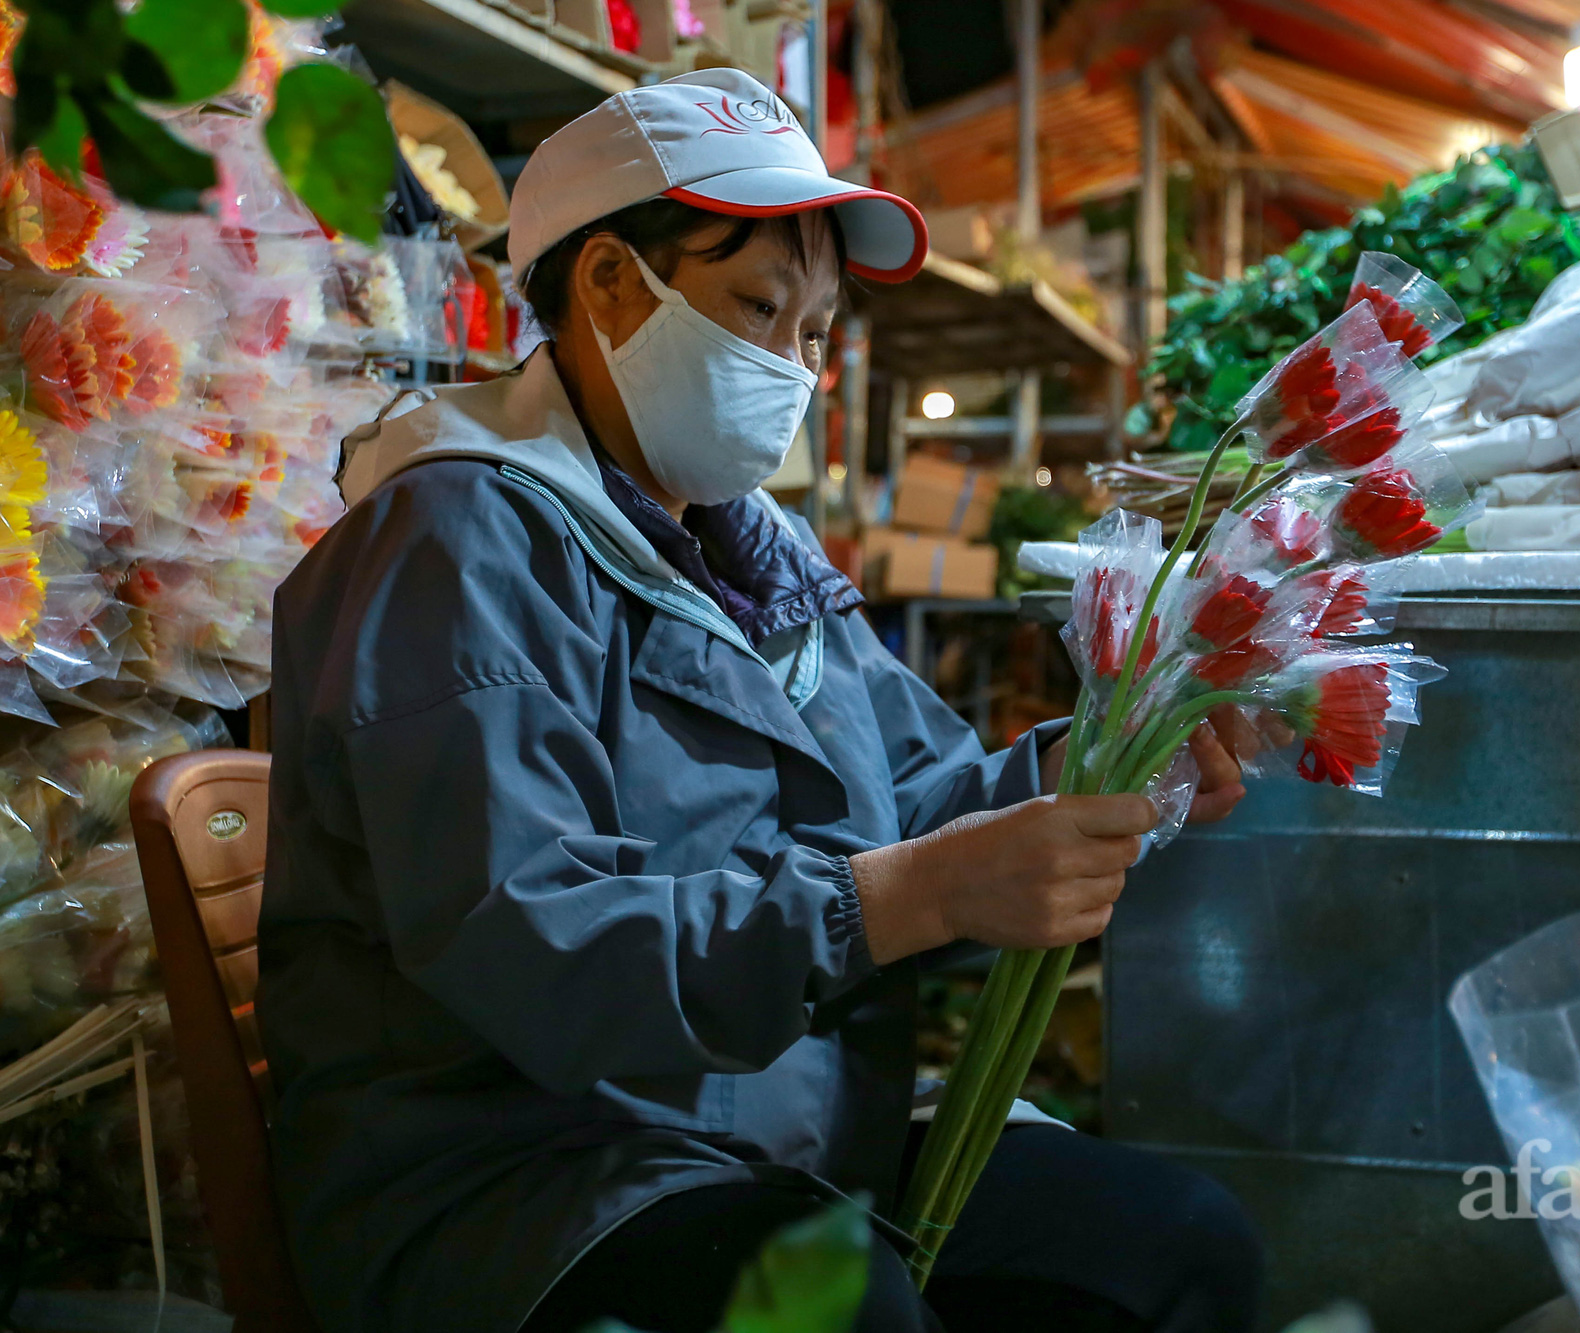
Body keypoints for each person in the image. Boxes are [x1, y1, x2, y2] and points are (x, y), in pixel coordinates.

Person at [260, 69, 1263, 1333]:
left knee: (1177, 1246)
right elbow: (535, 944)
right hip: (525, 1169)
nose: (791, 365)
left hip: (784, 1122)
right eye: (755, 307)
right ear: (611, 286)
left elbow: (933, 804)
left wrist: (1130, 764)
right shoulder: (455, 537)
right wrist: (915, 893)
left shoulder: (762, 567)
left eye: (815, 331)